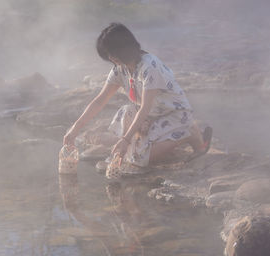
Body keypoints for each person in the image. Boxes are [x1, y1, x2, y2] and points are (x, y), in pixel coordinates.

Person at [63, 23, 212, 169]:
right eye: (108, 55)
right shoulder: (120, 68)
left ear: (124, 48)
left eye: (112, 53)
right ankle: (157, 141)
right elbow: (100, 101)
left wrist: (125, 140)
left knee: (137, 158)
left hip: (174, 114)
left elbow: (145, 108)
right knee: (126, 111)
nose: (111, 58)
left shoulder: (150, 66)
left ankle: (189, 133)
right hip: (152, 115)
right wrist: (75, 129)